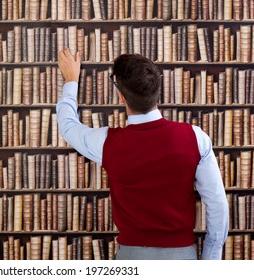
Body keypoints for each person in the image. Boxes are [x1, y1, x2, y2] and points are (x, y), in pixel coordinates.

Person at [56, 49, 229, 260]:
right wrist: (211, 263)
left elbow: (68, 126)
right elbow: (217, 205)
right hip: (182, 257)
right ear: (157, 91)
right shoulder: (195, 137)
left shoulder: (107, 142)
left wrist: (71, 80)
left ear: (121, 96)